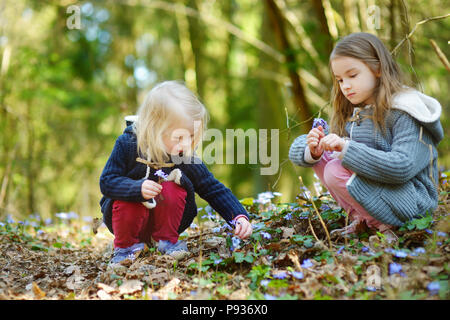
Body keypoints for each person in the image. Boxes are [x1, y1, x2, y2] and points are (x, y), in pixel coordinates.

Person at [289, 32, 443, 242]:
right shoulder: (357, 111)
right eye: (340, 80)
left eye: (352, 76)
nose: (346, 86)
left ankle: (386, 226)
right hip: (386, 196)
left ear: (378, 68)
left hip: (413, 202)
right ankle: (364, 220)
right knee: (325, 157)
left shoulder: (406, 112)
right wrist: (313, 148)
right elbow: (298, 151)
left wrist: (346, 149)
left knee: (336, 168)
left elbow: (402, 166)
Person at [100, 81, 252, 264]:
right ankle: (125, 250)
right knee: (128, 199)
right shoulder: (128, 145)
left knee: (174, 187)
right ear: (154, 128)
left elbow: (211, 187)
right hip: (126, 221)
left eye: (191, 137)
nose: (186, 144)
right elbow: (107, 181)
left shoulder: (183, 155)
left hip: (166, 224)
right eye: (179, 137)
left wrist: (238, 216)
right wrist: (135, 188)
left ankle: (166, 242)